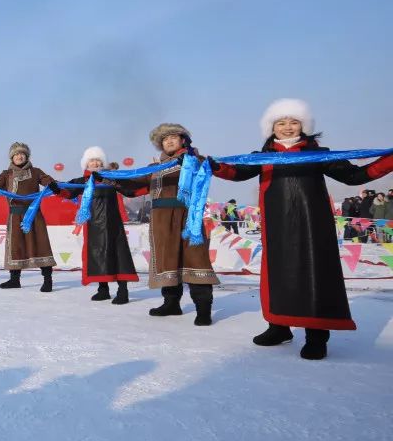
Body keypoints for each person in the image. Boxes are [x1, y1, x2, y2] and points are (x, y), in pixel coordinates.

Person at [211, 98, 393, 360]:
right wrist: (210, 165)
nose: (287, 127)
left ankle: (316, 336)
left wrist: (389, 161)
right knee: (278, 274)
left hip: (313, 225)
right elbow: (235, 172)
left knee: (314, 275)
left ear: (303, 126)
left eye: (294, 122)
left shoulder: (319, 154)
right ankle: (279, 327)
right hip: (277, 224)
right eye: (281, 122)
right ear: (271, 128)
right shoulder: (262, 157)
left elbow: (356, 176)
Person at [119, 124, 218, 325]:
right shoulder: (154, 168)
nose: (169, 141)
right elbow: (134, 186)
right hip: (161, 220)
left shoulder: (194, 159)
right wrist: (112, 179)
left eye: (173, 137)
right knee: (167, 260)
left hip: (188, 217)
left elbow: (205, 171)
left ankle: (203, 309)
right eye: (165, 139)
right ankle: (171, 304)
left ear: (183, 140)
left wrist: (191, 161)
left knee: (196, 260)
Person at [63, 147, 138, 304]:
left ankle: (123, 290)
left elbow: (129, 190)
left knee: (118, 255)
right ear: (86, 163)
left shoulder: (111, 178)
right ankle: (103, 289)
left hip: (112, 225)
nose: (95, 163)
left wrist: (110, 181)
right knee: (97, 256)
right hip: (94, 226)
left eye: (98, 160)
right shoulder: (82, 181)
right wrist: (55, 187)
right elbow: (67, 192)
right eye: (92, 160)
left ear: (103, 163)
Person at [0, 142, 59, 291]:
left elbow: (48, 181)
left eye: (22, 154)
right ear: (12, 158)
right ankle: (15, 280)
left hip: (34, 215)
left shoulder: (36, 172)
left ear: (27, 156)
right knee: (16, 247)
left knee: (41, 245)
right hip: (15, 216)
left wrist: (53, 185)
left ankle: (48, 280)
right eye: (16, 154)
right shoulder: (6, 174)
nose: (19, 156)